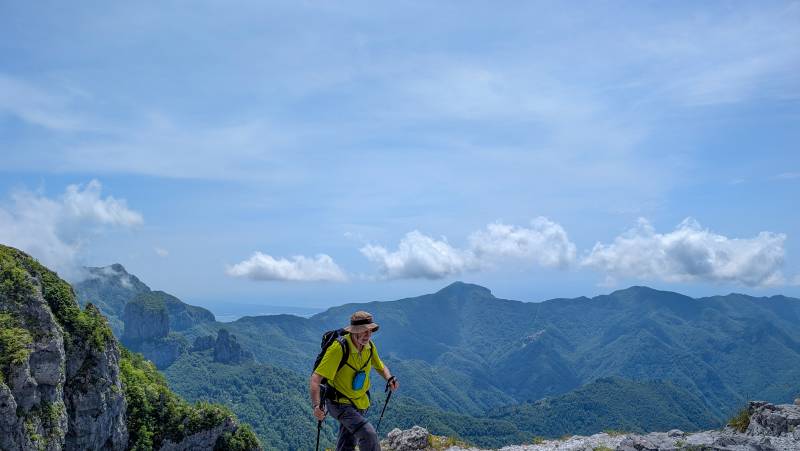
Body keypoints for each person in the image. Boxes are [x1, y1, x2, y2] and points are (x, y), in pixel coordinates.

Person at [310, 311, 399, 451]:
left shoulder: (369, 346)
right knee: (368, 435)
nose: (367, 335)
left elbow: (379, 365)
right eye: (363, 331)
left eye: (369, 331)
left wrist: (389, 377)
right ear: (353, 332)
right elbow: (316, 379)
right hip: (338, 403)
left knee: (347, 443)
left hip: (359, 402)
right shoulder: (339, 348)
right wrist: (316, 406)